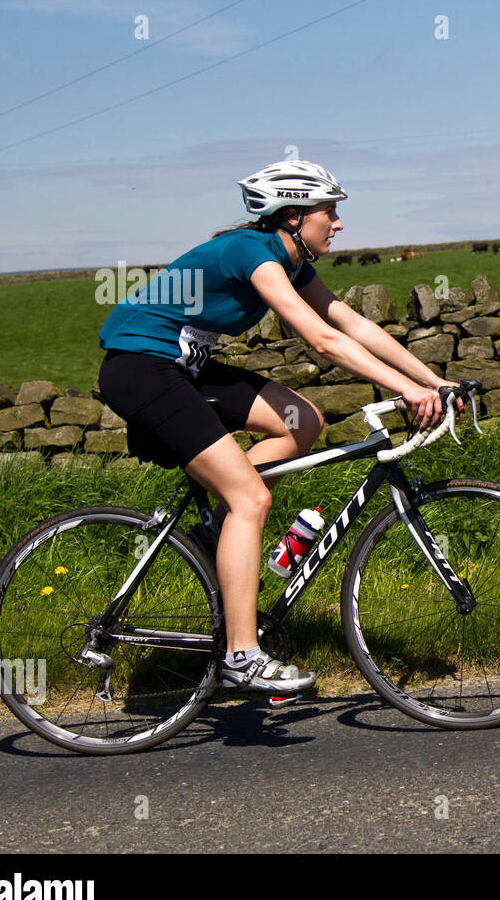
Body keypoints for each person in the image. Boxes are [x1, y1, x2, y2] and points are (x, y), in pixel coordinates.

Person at [97, 160, 459, 695]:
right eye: (329, 212)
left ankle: (219, 538)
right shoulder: (252, 252)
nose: (338, 223)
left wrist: (434, 380)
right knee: (252, 501)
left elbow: (349, 321)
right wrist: (406, 391)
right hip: (140, 367)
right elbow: (324, 340)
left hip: (183, 370)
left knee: (302, 421)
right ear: (292, 216)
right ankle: (241, 657)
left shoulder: (291, 260)